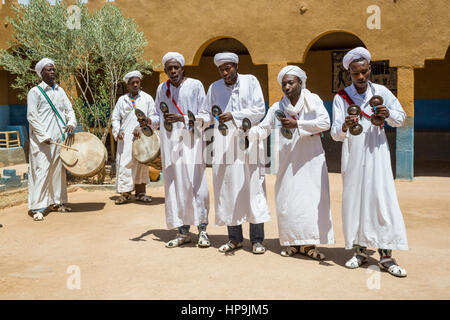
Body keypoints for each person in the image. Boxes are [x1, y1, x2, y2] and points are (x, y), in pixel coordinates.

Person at [331, 47, 408, 277]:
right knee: (355, 200)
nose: (361, 77)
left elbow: (401, 119)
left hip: (378, 154)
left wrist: (388, 114)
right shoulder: (341, 97)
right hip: (353, 156)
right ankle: (359, 251)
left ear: (369, 69)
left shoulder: (382, 91)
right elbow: (335, 133)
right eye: (356, 74)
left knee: (381, 199)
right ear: (349, 74)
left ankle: (386, 255)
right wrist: (344, 126)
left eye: (364, 72)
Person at [250, 65, 334, 260]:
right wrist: (248, 133)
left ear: (300, 83)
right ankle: (291, 243)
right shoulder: (277, 107)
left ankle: (308, 245)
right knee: (287, 200)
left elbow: (325, 123)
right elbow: (264, 127)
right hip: (286, 161)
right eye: (284, 84)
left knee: (310, 200)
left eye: (291, 82)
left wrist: (299, 124)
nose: (286, 87)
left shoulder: (313, 100)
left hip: (310, 159)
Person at [198, 52, 270, 254]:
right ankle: (235, 239)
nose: (224, 72)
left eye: (227, 68)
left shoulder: (251, 81)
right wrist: (201, 120)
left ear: (236, 66)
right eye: (221, 69)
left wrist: (234, 116)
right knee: (228, 188)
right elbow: (207, 112)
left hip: (250, 142)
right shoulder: (214, 87)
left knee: (253, 187)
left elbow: (259, 111)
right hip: (224, 145)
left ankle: (256, 240)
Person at [148, 52, 210, 248]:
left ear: (183, 69)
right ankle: (183, 232)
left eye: (176, 68)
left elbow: (206, 115)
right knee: (175, 185)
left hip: (192, 142)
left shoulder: (196, 85)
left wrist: (182, 119)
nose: (173, 71)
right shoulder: (161, 88)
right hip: (170, 144)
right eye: (169, 68)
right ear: (165, 70)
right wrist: (149, 121)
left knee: (196, 183)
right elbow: (158, 115)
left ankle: (202, 231)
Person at [27, 58, 77, 221]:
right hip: (42, 141)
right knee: (42, 170)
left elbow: (69, 110)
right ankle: (38, 207)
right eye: (49, 69)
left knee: (58, 171)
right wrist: (43, 136)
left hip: (59, 138)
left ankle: (58, 202)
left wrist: (70, 123)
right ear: (41, 73)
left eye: (54, 69)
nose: (53, 72)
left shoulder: (60, 91)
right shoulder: (34, 92)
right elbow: (32, 116)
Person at [111, 71, 155, 204]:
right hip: (125, 138)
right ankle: (125, 194)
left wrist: (144, 125)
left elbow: (153, 116)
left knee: (142, 163)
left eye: (137, 82)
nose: (135, 84)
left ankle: (141, 193)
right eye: (132, 83)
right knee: (125, 164)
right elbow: (115, 118)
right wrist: (117, 131)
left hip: (142, 136)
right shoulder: (122, 100)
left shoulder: (147, 98)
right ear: (128, 84)